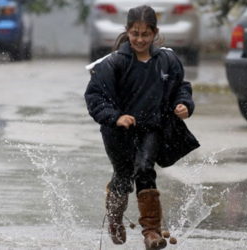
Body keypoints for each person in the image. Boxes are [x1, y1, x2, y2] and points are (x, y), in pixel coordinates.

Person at [84, 5, 197, 250]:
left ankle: (151, 233)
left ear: (155, 33)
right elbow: (95, 98)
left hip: (151, 128)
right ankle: (115, 219)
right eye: (135, 33)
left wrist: (184, 104)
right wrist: (116, 117)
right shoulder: (113, 64)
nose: (140, 39)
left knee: (145, 169)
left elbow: (181, 87)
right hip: (117, 132)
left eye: (145, 34)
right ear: (127, 31)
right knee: (124, 177)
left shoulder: (167, 59)